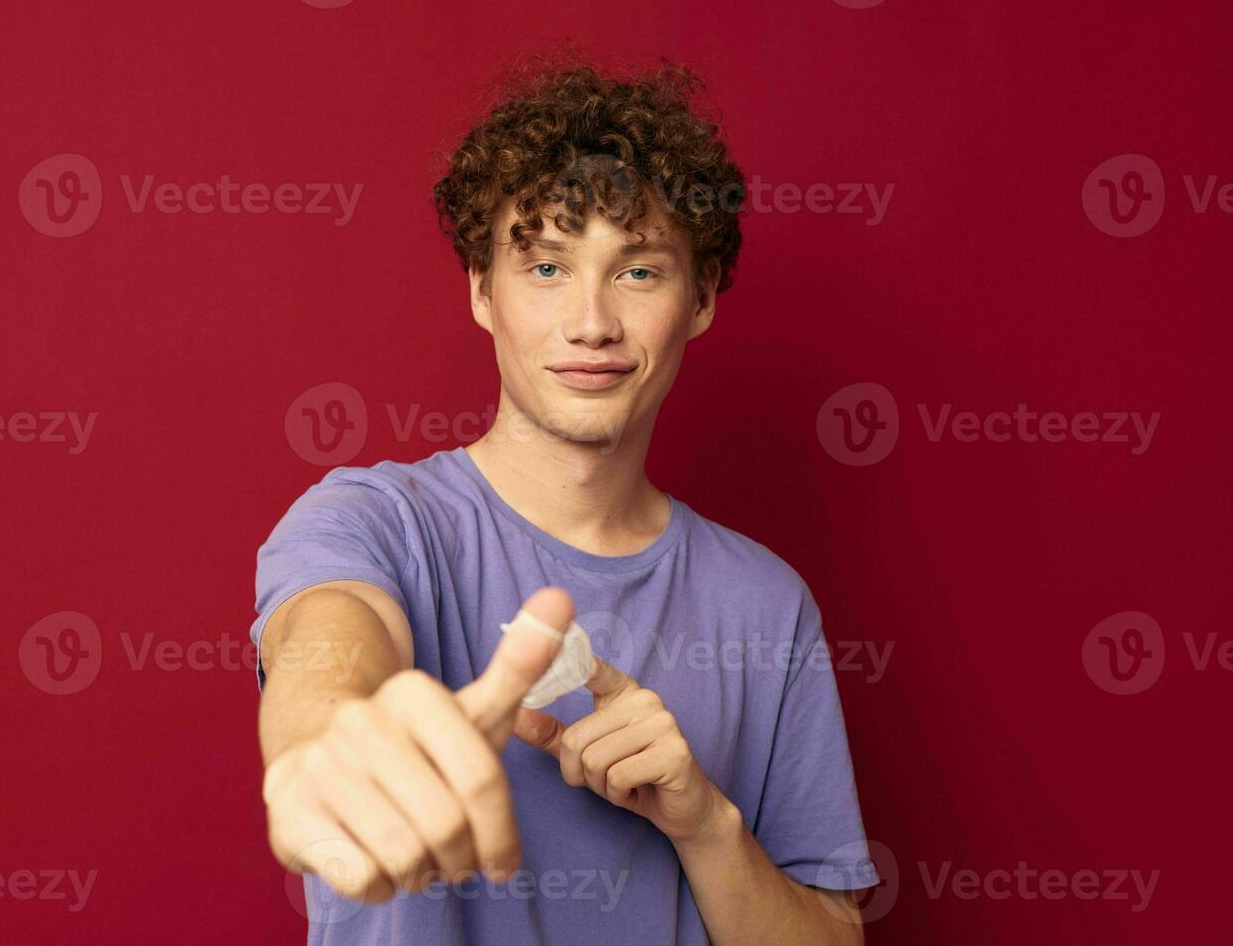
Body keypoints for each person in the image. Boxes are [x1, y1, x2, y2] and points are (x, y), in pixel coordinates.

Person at [251, 60, 880, 945]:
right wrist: (328, 735)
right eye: (546, 266)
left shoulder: (769, 604)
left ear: (698, 299)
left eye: (638, 273)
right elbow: (326, 643)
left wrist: (705, 824)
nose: (591, 322)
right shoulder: (367, 521)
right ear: (483, 290)